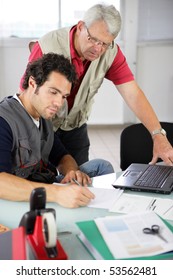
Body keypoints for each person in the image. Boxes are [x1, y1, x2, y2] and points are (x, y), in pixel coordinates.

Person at [19, 3, 173, 166]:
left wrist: (158, 135)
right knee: (43, 180)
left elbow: (132, 94)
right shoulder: (47, 46)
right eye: (93, 39)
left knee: (81, 180)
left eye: (105, 43)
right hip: (42, 126)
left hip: (75, 128)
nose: (97, 49)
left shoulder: (112, 52)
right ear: (80, 27)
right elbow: (26, 95)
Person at [0, 53, 114, 208]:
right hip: (20, 197)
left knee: (102, 166)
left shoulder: (42, 113)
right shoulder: (4, 120)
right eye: (53, 92)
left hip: (46, 184)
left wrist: (72, 172)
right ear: (32, 83)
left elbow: (62, 156)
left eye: (64, 96)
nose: (59, 103)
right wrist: (57, 194)